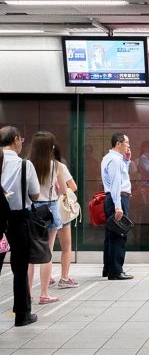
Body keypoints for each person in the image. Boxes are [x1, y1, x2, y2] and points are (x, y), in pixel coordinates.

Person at [0, 126, 40, 326]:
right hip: (19, 220)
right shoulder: (25, 165)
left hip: (0, 220)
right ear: (16, 139)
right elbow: (34, 195)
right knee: (20, 267)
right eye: (21, 139)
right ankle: (22, 314)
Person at [27, 131, 67, 304]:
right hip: (49, 208)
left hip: (32, 209)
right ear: (50, 147)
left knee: (29, 255)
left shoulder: (27, 164)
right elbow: (64, 191)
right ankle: (44, 294)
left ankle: (27, 294)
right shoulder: (56, 165)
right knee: (47, 252)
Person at [101, 132, 133, 280]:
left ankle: (108, 268)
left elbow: (120, 176)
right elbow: (116, 184)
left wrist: (127, 160)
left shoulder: (111, 158)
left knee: (110, 235)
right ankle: (116, 270)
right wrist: (118, 206)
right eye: (126, 143)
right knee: (119, 235)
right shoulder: (114, 160)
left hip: (114, 198)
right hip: (118, 197)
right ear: (118, 144)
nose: (128, 146)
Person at [51, 144, 78, 289]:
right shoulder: (59, 165)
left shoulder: (32, 165)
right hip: (59, 209)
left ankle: (47, 277)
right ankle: (64, 277)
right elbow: (73, 187)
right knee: (66, 246)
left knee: (46, 246)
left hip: (40, 210)